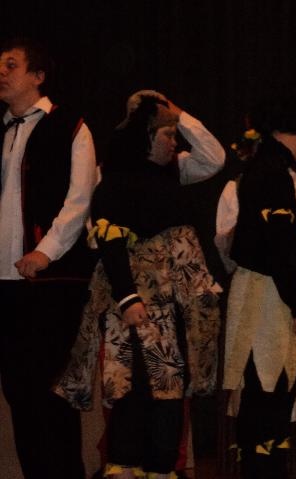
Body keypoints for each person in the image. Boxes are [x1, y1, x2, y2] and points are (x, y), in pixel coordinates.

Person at [55, 92, 224, 479]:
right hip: (137, 304)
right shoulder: (114, 184)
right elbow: (111, 244)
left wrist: (177, 113)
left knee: (170, 387)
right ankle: (125, 465)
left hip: (172, 303)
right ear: (145, 137)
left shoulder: (171, 176)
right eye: (167, 134)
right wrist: (129, 298)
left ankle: (160, 468)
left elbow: (214, 158)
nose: (175, 141)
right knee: (136, 386)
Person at [0, 37, 97, 479]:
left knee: (51, 390)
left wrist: (46, 252)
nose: (2, 73)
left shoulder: (70, 127)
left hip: (51, 281)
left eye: (12, 65)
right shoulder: (3, 130)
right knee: (18, 391)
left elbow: (79, 200)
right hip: (5, 284)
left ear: (38, 76)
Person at [216, 93, 296, 479]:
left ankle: (266, 466)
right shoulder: (272, 174)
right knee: (269, 388)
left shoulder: (262, 171)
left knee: (272, 388)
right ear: (285, 132)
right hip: (267, 293)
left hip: (265, 287)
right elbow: (279, 241)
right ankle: (263, 469)